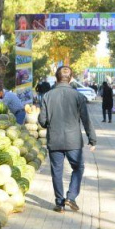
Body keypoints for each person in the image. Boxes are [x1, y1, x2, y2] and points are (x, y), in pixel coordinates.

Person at [39, 65, 96, 213]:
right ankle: (71, 196)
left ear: (57, 78)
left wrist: (49, 122)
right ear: (70, 79)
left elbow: (42, 121)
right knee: (78, 167)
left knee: (57, 171)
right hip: (73, 141)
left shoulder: (47, 96)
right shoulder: (78, 96)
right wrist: (92, 138)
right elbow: (86, 119)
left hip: (55, 140)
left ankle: (59, 203)